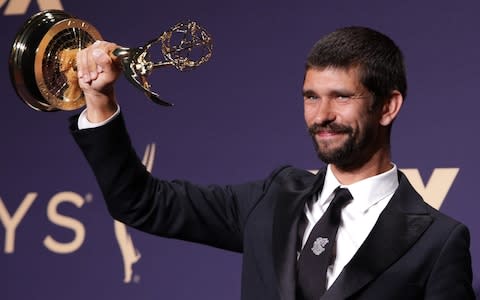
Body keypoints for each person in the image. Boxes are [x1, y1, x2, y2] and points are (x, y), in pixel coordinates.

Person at [70, 27, 475, 299]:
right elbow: (142, 203)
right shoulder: (274, 197)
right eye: (311, 96)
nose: (322, 115)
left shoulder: (437, 243)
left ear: (388, 106)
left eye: (341, 97)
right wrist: (100, 101)